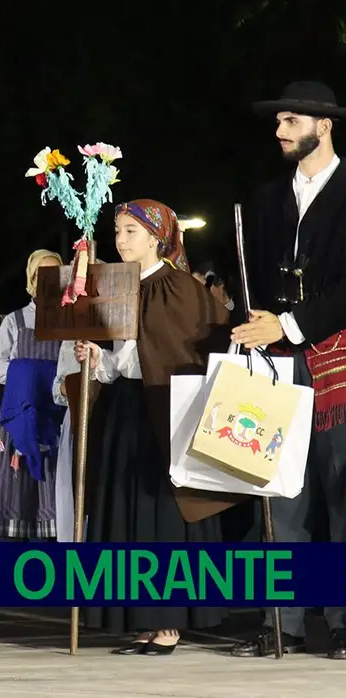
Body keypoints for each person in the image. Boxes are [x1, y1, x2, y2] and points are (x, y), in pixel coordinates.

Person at [75, 199, 234, 655]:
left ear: (156, 238)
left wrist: (130, 359)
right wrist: (97, 358)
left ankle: (168, 622)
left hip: (166, 411)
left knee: (161, 513)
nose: (120, 240)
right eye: (118, 231)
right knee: (127, 511)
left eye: (130, 232)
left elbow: (187, 350)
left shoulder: (178, 288)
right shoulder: (114, 286)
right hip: (128, 407)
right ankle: (140, 618)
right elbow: (120, 359)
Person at [231, 80, 346, 660]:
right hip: (275, 363)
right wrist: (254, 318)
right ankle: (284, 623)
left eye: (291, 121)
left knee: (341, 492)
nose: (279, 131)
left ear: (324, 126)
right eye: (278, 122)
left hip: (337, 361)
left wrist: (292, 325)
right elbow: (250, 275)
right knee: (279, 497)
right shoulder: (264, 199)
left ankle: (343, 624)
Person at [0, 249, 66, 541]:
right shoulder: (15, 322)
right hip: (17, 421)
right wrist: (29, 378)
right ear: (32, 279)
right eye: (42, 275)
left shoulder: (70, 322)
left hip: (55, 422)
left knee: (52, 505)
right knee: (13, 502)